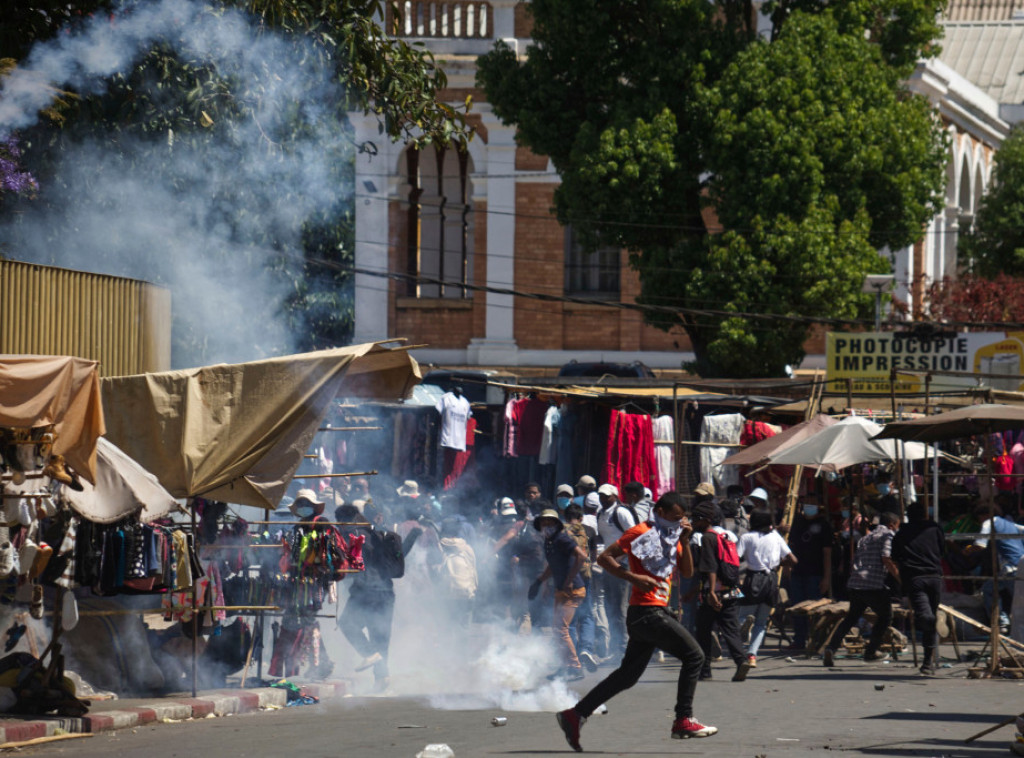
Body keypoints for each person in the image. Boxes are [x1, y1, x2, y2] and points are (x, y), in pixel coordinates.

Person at [555, 492, 716, 752]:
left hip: (653, 612)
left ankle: (575, 714)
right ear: (660, 512)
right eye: (674, 518)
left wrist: (684, 541)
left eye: (681, 519)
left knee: (627, 677)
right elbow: (604, 558)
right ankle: (683, 719)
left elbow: (686, 572)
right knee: (695, 656)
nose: (678, 523)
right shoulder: (640, 531)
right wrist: (633, 578)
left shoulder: (673, 536)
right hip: (647, 612)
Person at [336, 503, 419, 692]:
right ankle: (382, 679)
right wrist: (413, 537)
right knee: (380, 636)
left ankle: (368, 653)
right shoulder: (380, 534)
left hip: (366, 592)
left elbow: (355, 563)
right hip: (386, 592)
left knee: (347, 624)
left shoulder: (356, 535)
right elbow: (399, 557)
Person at [823, 511, 901, 667]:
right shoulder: (888, 536)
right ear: (892, 525)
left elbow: (854, 561)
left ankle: (831, 648)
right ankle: (871, 651)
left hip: (856, 583)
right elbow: (886, 558)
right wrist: (900, 577)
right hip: (873, 584)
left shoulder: (866, 537)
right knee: (885, 617)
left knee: (851, 618)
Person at [692, 500, 751, 682]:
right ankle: (742, 660)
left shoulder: (707, 537)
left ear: (706, 519)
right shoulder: (729, 536)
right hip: (732, 590)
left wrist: (710, 592)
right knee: (731, 629)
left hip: (714, 593)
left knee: (703, 630)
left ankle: (705, 670)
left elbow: (710, 566)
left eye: (697, 519)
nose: (694, 523)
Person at [531, 507, 589, 681]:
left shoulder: (562, 539)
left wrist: (570, 580)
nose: (546, 525)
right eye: (543, 522)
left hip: (573, 591)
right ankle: (564, 667)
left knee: (561, 630)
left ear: (556, 524)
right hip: (561, 590)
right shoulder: (549, 542)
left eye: (550, 522)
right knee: (557, 630)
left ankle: (575, 668)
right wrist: (540, 581)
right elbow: (553, 565)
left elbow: (582, 556)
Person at [738, 507, 796, 667]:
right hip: (771, 581)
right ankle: (752, 656)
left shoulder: (747, 537)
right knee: (761, 623)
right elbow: (793, 560)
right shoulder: (775, 537)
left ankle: (744, 629)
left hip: (752, 579)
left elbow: (735, 558)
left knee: (742, 615)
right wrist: (777, 563)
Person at [892, 501, 945, 675]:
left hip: (915, 578)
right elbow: (942, 550)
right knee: (929, 617)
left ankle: (928, 661)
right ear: (924, 514)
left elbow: (895, 556)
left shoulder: (902, 533)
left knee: (925, 617)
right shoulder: (934, 528)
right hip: (934, 577)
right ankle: (927, 663)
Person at [597, 483, 644, 659]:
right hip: (608, 566)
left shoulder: (621, 512)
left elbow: (635, 536)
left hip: (622, 566)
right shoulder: (601, 514)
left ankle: (624, 648)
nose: (603, 498)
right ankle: (617, 648)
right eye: (601, 495)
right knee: (611, 607)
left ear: (614, 496)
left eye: (606, 495)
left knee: (620, 608)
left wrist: (623, 558)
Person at [785, 500, 835, 652]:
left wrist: (826, 577)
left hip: (816, 573)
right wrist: (787, 568)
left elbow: (827, 553)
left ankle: (815, 640)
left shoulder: (824, 526)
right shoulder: (796, 524)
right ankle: (799, 640)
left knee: (814, 609)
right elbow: (789, 547)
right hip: (797, 573)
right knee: (797, 608)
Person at [972, 503, 1024, 633]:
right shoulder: (1010, 524)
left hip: (1010, 568)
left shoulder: (988, 523)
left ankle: (1002, 623)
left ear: (984, 515)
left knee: (990, 591)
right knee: (992, 589)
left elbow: (980, 544)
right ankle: (1004, 622)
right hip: (1020, 564)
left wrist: (968, 550)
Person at [563, 503, 600, 671]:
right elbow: (593, 556)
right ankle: (586, 649)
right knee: (586, 615)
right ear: (581, 517)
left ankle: (573, 654)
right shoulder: (589, 531)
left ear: (565, 516)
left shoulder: (560, 532)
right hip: (585, 578)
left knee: (569, 619)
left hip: (567, 579)